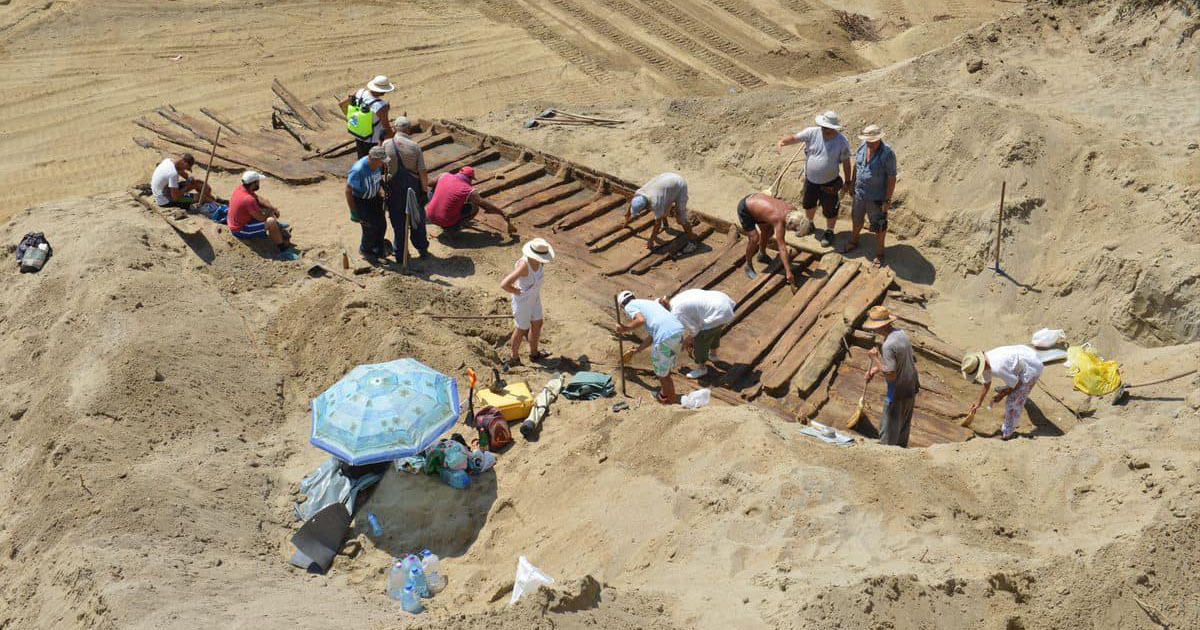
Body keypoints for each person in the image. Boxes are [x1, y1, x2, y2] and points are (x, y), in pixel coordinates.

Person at [775, 110, 852, 248]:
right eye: (823, 126)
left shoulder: (841, 141)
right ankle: (809, 224)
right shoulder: (812, 132)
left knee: (830, 209)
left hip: (830, 182)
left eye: (827, 127)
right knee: (809, 204)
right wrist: (782, 142)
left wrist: (848, 181)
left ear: (833, 127)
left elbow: (846, 162)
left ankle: (829, 231)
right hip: (811, 180)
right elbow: (795, 138)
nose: (824, 129)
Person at [960, 345, 1045, 440]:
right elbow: (986, 384)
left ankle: (1007, 433)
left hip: (1032, 366)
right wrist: (978, 403)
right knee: (1011, 387)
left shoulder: (998, 367)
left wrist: (1002, 395)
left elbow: (1016, 384)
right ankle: (1008, 386)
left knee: (1012, 401)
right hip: (1023, 357)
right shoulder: (984, 361)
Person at [863, 306, 919, 447]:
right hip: (910, 389)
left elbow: (891, 374)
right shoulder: (901, 334)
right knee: (902, 431)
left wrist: (874, 358)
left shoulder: (888, 345)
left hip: (896, 394)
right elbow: (900, 361)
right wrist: (874, 370)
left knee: (888, 436)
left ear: (880, 326)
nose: (873, 330)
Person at [616, 290, 685, 404]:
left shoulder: (629, 306)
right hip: (678, 334)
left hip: (665, 337)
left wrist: (625, 328)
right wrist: (638, 349)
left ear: (622, 306)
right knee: (664, 370)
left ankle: (670, 401)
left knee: (662, 375)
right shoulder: (648, 303)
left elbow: (640, 320)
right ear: (633, 296)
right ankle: (665, 394)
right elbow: (652, 336)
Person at [846, 124, 898, 267]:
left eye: (873, 141)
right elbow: (857, 166)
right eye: (868, 141)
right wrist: (852, 183)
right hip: (860, 193)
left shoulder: (887, 154)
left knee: (879, 225)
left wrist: (887, 199)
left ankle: (880, 253)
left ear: (879, 139)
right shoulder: (862, 147)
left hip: (877, 197)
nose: (870, 143)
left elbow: (891, 177)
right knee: (856, 219)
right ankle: (854, 241)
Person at [500, 238, 556, 368]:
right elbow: (504, 284)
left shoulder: (540, 263)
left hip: (535, 297)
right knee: (522, 328)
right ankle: (514, 356)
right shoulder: (524, 266)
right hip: (523, 301)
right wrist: (516, 291)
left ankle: (534, 353)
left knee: (537, 323)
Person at [658, 289, 735, 379]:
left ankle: (701, 368)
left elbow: (695, 331)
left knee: (701, 341)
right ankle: (713, 355)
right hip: (723, 301)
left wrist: (685, 343)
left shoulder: (676, 313)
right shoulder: (674, 301)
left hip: (718, 312)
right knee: (714, 331)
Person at [382, 116, 430, 259]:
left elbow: (383, 167)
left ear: (395, 128)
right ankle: (422, 249)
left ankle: (400, 254)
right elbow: (422, 171)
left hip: (394, 190)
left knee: (398, 223)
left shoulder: (386, 144)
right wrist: (424, 191)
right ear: (409, 129)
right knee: (417, 220)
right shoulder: (414, 146)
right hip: (412, 189)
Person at [227, 171, 299, 261]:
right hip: (240, 230)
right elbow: (261, 218)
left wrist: (272, 208)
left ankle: (277, 226)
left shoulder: (242, 189)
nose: (259, 183)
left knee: (267, 207)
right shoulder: (248, 199)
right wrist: (270, 212)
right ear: (254, 183)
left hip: (236, 221)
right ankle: (283, 249)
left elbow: (258, 199)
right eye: (258, 182)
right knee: (271, 221)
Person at [426, 166, 516, 236]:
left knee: (432, 189)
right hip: (445, 221)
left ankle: (436, 212)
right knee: (474, 207)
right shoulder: (469, 190)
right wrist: (502, 213)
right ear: (470, 178)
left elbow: (429, 183)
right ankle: (452, 229)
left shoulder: (444, 175)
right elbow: (485, 204)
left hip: (429, 215)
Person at [735, 191, 798, 284]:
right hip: (745, 208)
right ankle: (748, 265)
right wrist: (788, 272)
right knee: (754, 238)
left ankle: (762, 254)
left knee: (768, 231)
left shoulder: (793, 210)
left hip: (758, 207)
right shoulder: (779, 221)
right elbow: (782, 247)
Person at [624, 172, 698, 253]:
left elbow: (657, 224)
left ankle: (693, 242)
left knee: (680, 217)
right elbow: (632, 204)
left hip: (679, 185)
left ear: (646, 207)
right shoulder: (639, 193)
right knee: (662, 205)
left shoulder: (656, 202)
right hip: (667, 180)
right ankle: (666, 225)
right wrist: (626, 218)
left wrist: (651, 241)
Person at [345, 145, 390, 258]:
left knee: (381, 225)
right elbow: (348, 190)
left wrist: (384, 187)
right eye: (382, 161)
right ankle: (365, 249)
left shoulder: (378, 165)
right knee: (369, 227)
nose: (384, 164)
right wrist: (354, 212)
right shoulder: (358, 170)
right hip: (361, 201)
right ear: (374, 159)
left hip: (375, 198)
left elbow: (378, 178)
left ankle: (377, 247)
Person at [339, 75, 395, 158]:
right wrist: (394, 139)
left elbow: (341, 103)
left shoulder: (360, 92)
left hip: (359, 133)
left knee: (361, 159)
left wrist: (352, 117)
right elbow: (386, 127)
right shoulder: (381, 105)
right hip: (372, 140)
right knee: (374, 163)